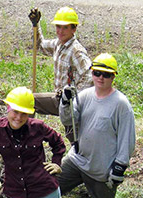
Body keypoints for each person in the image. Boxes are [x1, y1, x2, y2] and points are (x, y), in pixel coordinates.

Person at [58, 53, 136, 198]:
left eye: (107, 75)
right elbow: (69, 120)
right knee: (51, 187)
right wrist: (65, 103)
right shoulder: (84, 96)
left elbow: (127, 138)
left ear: (114, 77)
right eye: (97, 73)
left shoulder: (121, 104)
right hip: (78, 160)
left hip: (103, 168)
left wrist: (119, 166)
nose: (101, 78)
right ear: (92, 73)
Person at [28, 6, 93, 142]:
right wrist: (36, 25)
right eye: (58, 27)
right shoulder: (59, 44)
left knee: (76, 140)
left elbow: (89, 75)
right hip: (59, 99)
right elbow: (39, 45)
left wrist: (74, 97)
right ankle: (26, 141)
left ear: (73, 29)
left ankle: (83, 156)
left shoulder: (76, 50)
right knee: (29, 101)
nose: (60, 31)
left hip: (69, 102)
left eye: (65, 27)